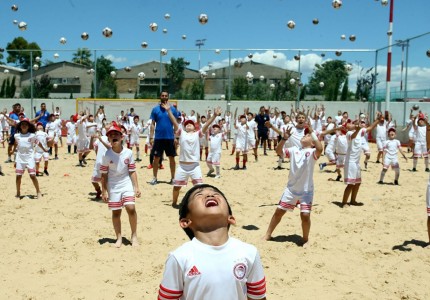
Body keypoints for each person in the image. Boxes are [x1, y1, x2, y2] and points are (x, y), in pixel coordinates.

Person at [158, 184, 267, 300]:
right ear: (185, 222)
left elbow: (258, 297)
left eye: (216, 194)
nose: (209, 195)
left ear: (231, 218)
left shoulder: (249, 252)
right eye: (199, 195)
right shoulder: (179, 257)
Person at [263, 126, 323, 247]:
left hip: (306, 191)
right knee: (279, 211)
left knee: (305, 216)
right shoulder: (294, 149)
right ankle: (268, 234)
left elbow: (320, 148)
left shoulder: (312, 152)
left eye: (307, 135)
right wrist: (284, 139)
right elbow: (278, 151)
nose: (304, 135)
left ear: (312, 143)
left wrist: (313, 132)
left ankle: (305, 239)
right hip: (291, 189)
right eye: (305, 134)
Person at [165, 103, 220, 207]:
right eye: (187, 124)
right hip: (182, 166)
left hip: (195, 166)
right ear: (185, 127)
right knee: (176, 187)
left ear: (194, 127)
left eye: (191, 124)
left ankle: (200, 205)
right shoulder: (181, 133)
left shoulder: (197, 134)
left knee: (199, 188)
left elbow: (207, 125)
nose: (188, 124)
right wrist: (168, 111)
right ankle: (174, 203)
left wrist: (214, 116)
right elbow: (174, 122)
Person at [100, 124, 141, 248]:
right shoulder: (107, 155)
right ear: (109, 140)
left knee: (131, 208)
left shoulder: (128, 153)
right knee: (116, 212)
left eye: (116, 134)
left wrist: (136, 187)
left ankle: (134, 235)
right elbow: (104, 174)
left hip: (126, 183)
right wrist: (104, 191)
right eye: (111, 135)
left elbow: (132, 171)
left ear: (122, 137)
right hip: (113, 185)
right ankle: (118, 238)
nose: (113, 137)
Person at [341, 118, 378, 207]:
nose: (352, 124)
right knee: (350, 184)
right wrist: (357, 129)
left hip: (356, 162)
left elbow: (369, 128)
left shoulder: (359, 132)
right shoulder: (349, 133)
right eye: (349, 124)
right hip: (350, 162)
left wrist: (377, 120)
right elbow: (353, 136)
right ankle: (344, 202)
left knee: (357, 182)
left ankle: (353, 200)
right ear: (347, 128)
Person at [149, 91, 179, 185]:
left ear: (168, 97)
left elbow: (176, 124)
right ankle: (154, 178)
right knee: (156, 158)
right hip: (158, 138)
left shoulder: (173, 110)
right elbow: (153, 124)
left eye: (166, 95)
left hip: (170, 138)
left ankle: (173, 178)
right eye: (162, 95)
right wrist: (151, 137)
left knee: (171, 158)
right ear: (160, 97)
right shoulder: (155, 109)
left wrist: (176, 137)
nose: (164, 97)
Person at [13, 118, 42, 199]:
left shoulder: (32, 135)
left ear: (29, 126)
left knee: (32, 175)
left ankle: (38, 191)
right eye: (22, 124)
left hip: (30, 158)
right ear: (20, 126)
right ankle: (18, 192)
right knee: (18, 176)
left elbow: (38, 143)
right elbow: (16, 145)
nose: (24, 126)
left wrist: (44, 149)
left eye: (26, 124)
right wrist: (13, 153)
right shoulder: (16, 135)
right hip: (20, 158)